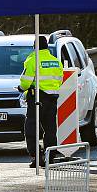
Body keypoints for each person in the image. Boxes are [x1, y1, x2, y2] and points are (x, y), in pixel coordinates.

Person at [19, 35, 63, 168]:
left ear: (34, 46)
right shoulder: (55, 61)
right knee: (50, 128)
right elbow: (59, 80)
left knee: (31, 128)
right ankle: (50, 156)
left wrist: (21, 88)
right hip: (52, 99)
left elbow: (25, 82)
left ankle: (36, 156)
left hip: (37, 98)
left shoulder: (33, 60)